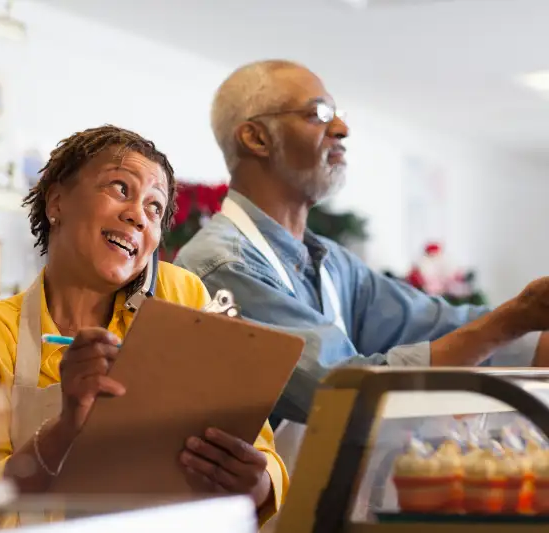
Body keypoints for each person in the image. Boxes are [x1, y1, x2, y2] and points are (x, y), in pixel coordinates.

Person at [174, 59, 549, 468]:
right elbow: (336, 391)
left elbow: (442, 324)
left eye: (339, 116)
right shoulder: (222, 264)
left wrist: (533, 320)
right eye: (318, 114)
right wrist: (513, 319)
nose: (341, 130)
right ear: (256, 138)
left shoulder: (333, 263)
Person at [0, 125, 287, 527]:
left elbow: (264, 455)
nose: (138, 214)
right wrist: (66, 428)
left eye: (155, 208)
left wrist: (255, 483)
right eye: (120, 188)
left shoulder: (181, 295)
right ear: (57, 201)